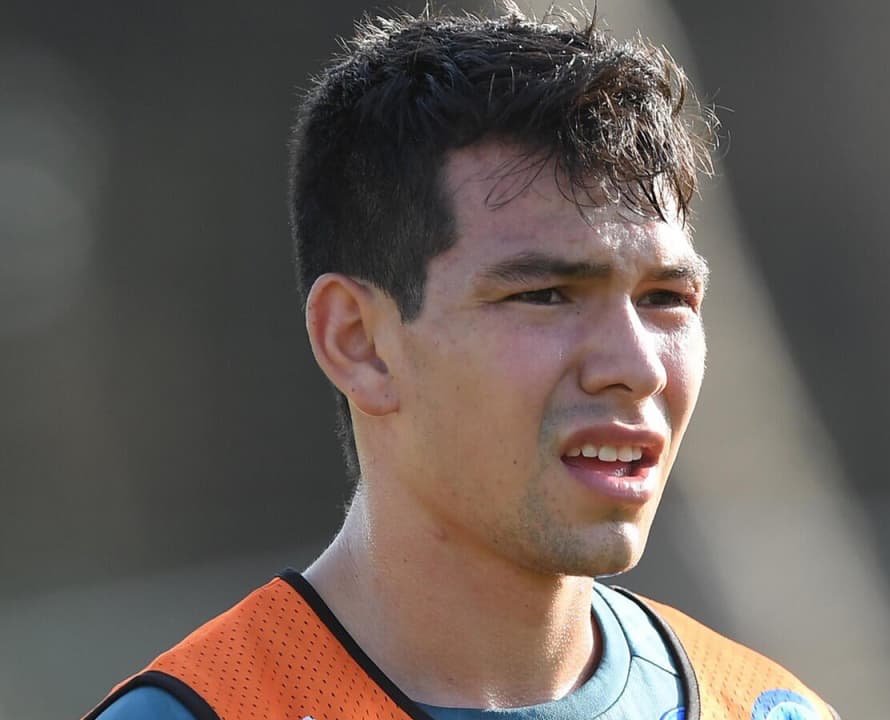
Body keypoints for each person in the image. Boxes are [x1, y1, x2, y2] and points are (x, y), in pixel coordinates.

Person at [85, 6, 838, 720]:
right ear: (359, 342)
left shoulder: (763, 707)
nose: (636, 367)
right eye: (545, 295)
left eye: (666, 298)